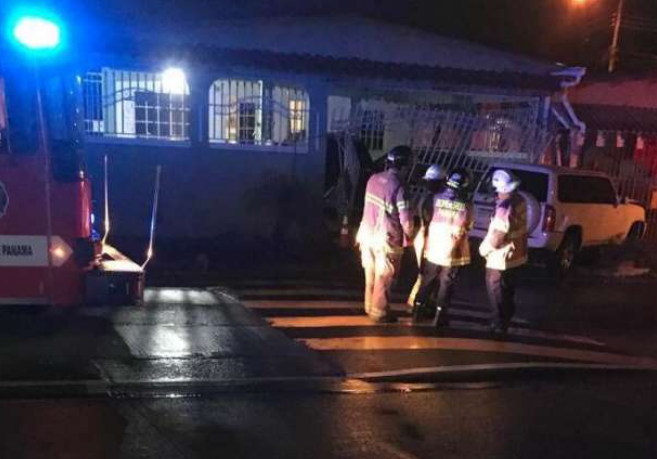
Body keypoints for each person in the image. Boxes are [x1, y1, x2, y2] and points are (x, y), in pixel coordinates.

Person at [356, 145, 414, 323]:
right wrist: (410, 237)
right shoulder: (400, 186)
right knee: (384, 277)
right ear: (404, 165)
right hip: (386, 240)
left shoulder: (373, 179)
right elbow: (406, 220)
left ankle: (368, 307)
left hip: (366, 235)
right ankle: (379, 313)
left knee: (370, 275)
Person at [411, 168, 474, 327]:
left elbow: (426, 217)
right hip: (453, 252)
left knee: (428, 280)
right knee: (446, 283)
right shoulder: (466, 205)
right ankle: (439, 317)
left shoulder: (434, 198)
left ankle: (417, 312)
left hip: (433, 248)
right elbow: (469, 225)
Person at [479, 169, 528, 335]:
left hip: (500, 258)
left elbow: (498, 236)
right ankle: (505, 318)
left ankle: (499, 324)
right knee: (507, 289)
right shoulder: (520, 199)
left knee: (496, 290)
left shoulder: (504, 207)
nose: (495, 193)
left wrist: (484, 249)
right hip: (516, 255)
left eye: (496, 190)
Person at [407, 164, 446, 309]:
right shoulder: (436, 199)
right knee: (429, 274)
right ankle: (423, 304)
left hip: (425, 237)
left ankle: (417, 303)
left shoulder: (428, 198)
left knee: (425, 273)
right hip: (430, 239)